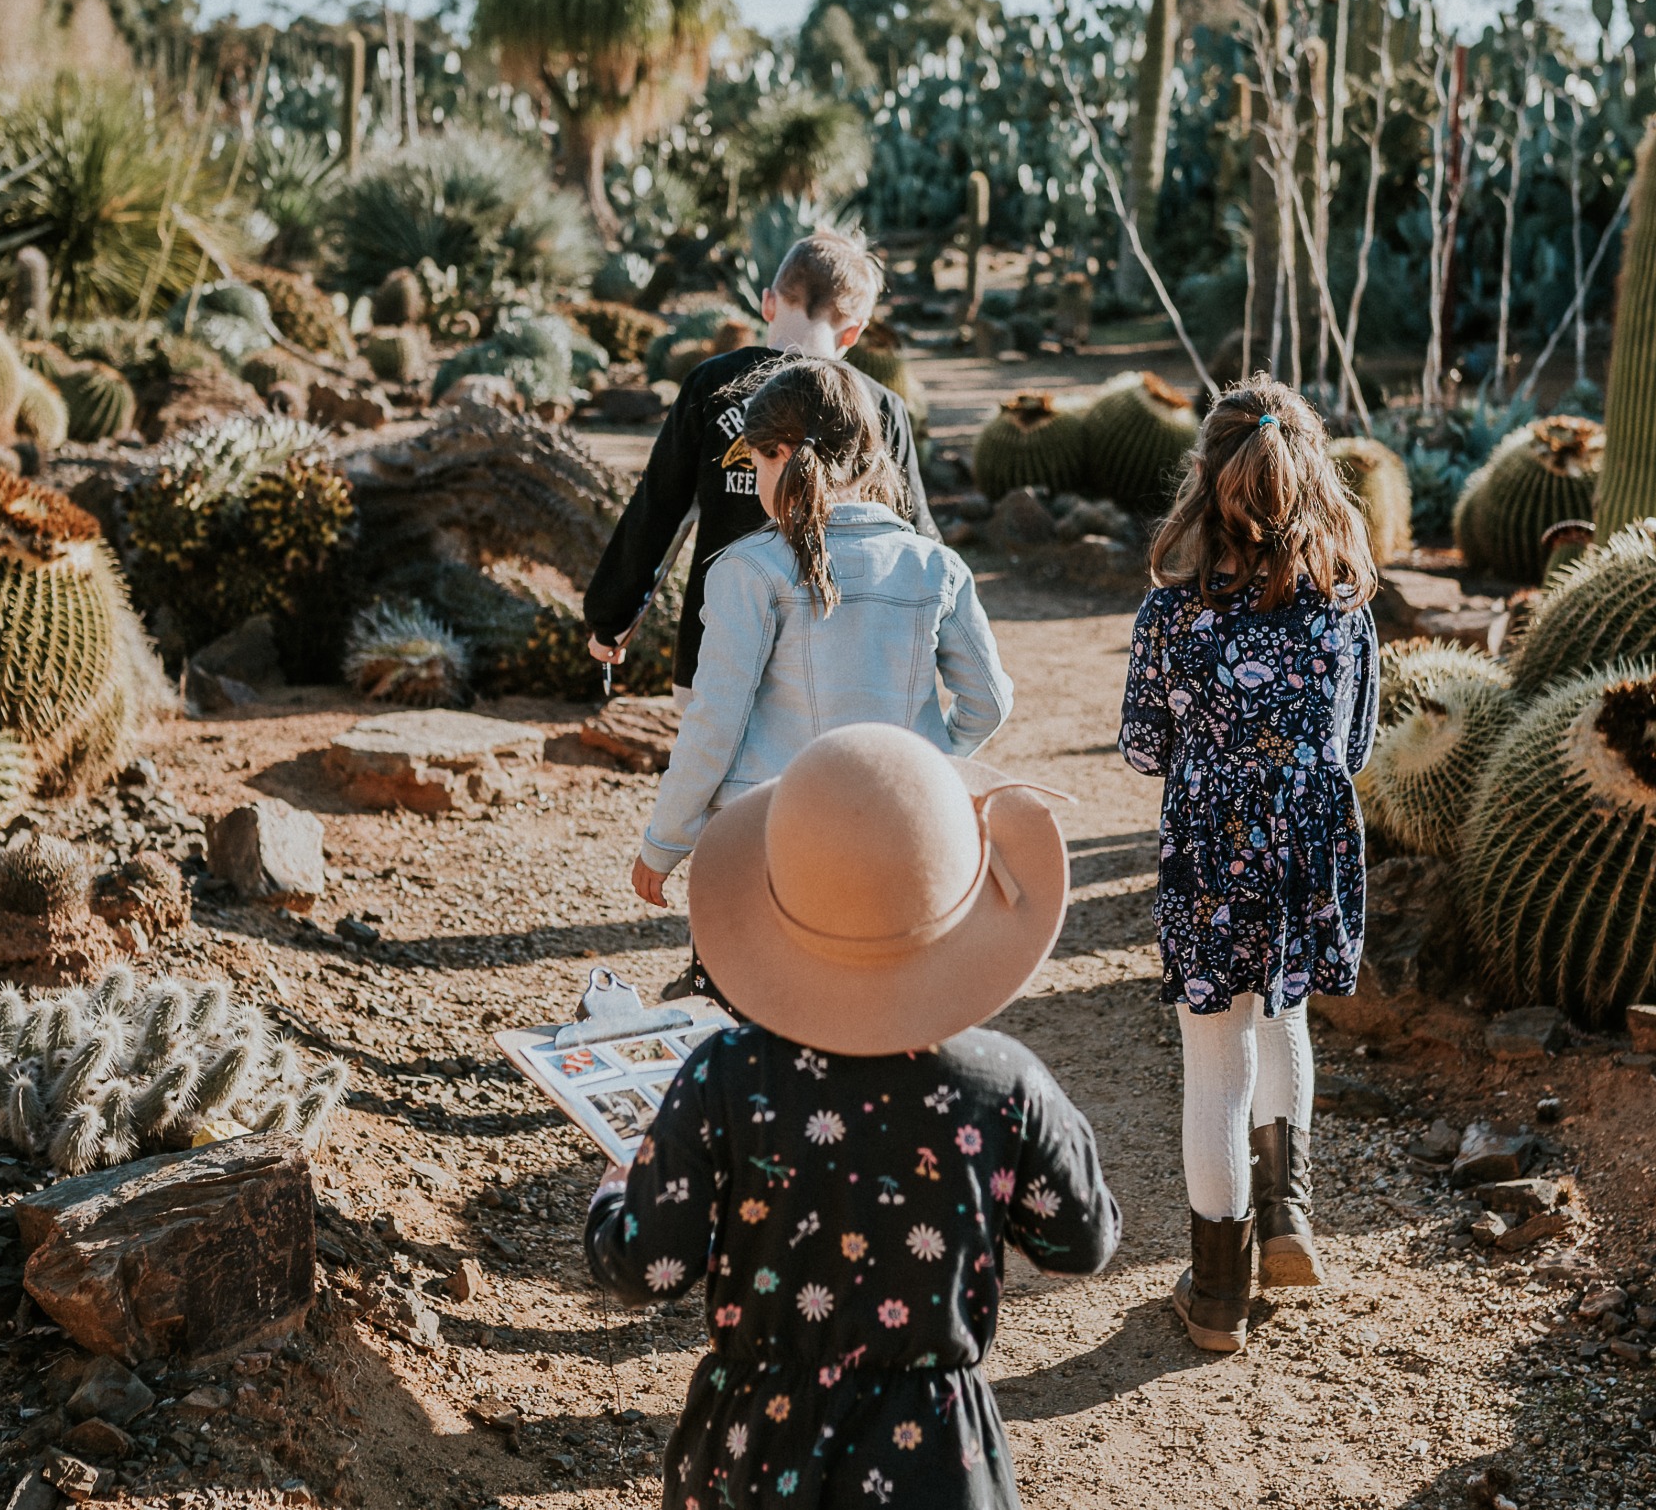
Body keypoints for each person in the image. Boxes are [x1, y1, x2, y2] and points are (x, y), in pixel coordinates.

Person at [586, 722, 1119, 1509]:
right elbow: (1080, 1243)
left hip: (753, 1452)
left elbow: (644, 1268)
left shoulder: (728, 1075)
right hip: (935, 1460)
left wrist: (616, 1185)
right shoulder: (1004, 1082)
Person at [1117, 375, 1380, 1353]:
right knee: (1287, 1017)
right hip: (1309, 851)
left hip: (1212, 853)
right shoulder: (1343, 612)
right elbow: (1352, 750)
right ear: (1312, 478)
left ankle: (1219, 1294)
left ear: (1204, 482)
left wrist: (1212, 753)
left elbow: (1144, 748)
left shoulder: (1172, 619)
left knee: (1215, 1063)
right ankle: (1288, 1218)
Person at [631, 355, 1009, 910]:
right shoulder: (936, 567)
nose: (757, 480)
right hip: (905, 831)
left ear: (780, 453)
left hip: (770, 837)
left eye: (757, 464)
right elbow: (990, 701)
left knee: (761, 990)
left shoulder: (747, 569)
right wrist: (926, 765)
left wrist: (664, 842)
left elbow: (715, 721)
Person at [584, 232, 936, 699]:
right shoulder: (882, 407)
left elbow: (658, 509)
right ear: (853, 331)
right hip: (839, 665)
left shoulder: (710, 383)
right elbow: (912, 535)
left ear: (768, 303)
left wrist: (611, 619)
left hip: (716, 653)